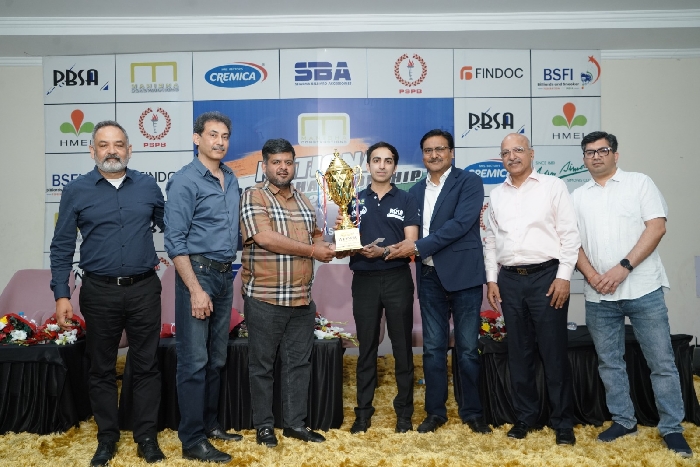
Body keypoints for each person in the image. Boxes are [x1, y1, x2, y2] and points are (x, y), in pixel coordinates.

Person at [50, 120, 165, 466]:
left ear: (130, 149)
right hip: (98, 292)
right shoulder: (76, 191)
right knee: (100, 368)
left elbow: (174, 228)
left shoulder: (148, 186)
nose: (111, 151)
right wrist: (61, 294)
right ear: (92, 151)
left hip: (144, 289)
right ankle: (107, 438)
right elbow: (61, 246)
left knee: (146, 365)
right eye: (104, 145)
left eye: (118, 144)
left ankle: (146, 437)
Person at [573, 131, 693, 457]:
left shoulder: (640, 183)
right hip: (599, 295)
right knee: (609, 363)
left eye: (603, 150)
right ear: (584, 159)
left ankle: (672, 427)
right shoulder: (577, 196)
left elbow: (657, 227)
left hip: (643, 289)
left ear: (616, 154)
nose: (596, 156)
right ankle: (624, 420)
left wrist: (623, 268)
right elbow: (572, 243)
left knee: (662, 362)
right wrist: (592, 276)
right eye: (589, 152)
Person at [386, 129, 490, 435]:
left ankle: (472, 412)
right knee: (432, 349)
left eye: (440, 149)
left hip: (464, 276)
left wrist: (418, 247)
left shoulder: (469, 182)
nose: (434, 155)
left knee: (467, 349)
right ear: (422, 155)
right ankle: (435, 412)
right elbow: (406, 229)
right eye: (428, 150)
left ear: (451, 152)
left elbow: (460, 225)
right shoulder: (415, 190)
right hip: (430, 277)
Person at [484, 133, 579, 446]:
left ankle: (562, 422)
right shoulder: (496, 194)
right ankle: (526, 418)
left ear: (531, 153)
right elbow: (491, 240)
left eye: (518, 150)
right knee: (519, 353)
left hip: (547, 278)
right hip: (509, 280)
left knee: (553, 353)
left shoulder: (553, 186)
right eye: (506, 152)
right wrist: (492, 279)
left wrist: (564, 276)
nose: (512, 156)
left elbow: (569, 235)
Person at [239, 138, 335, 448]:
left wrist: (343, 245)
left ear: (295, 165)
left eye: (288, 162)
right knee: (262, 366)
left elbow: (317, 239)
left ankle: (295, 425)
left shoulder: (304, 200)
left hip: (302, 300)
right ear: (265, 165)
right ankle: (264, 427)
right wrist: (313, 250)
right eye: (276, 162)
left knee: (298, 365)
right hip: (265, 298)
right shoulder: (254, 195)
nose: (283, 167)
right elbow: (264, 237)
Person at [164, 111, 241, 464]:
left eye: (224, 136)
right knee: (194, 361)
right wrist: (195, 289)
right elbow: (175, 242)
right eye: (212, 135)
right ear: (197, 139)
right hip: (197, 275)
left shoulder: (231, 177)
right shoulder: (185, 181)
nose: (219, 142)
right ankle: (192, 440)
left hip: (225, 275)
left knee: (216, 358)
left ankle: (210, 425)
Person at [343, 142, 420, 435]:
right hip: (364, 280)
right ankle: (362, 414)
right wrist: (345, 243)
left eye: (388, 161)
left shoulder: (407, 199)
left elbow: (411, 242)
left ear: (394, 167)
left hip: (397, 278)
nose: (382, 165)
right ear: (368, 165)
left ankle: (404, 415)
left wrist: (384, 252)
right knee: (367, 349)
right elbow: (344, 243)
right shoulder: (353, 200)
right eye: (376, 160)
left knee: (402, 348)